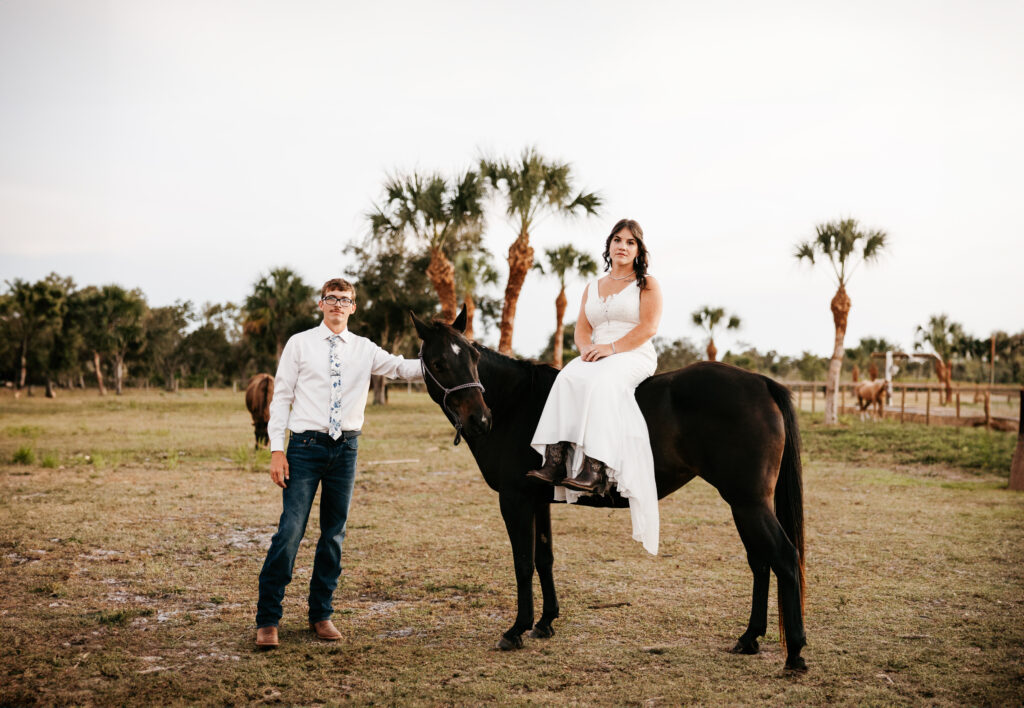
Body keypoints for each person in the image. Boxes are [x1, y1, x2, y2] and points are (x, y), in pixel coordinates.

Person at [255, 277, 422, 649]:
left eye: (344, 300)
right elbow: (280, 398)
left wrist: (446, 360)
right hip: (303, 448)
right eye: (330, 298)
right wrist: (276, 450)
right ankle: (268, 620)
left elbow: (400, 368)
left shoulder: (364, 349)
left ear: (353, 307)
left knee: (333, 535)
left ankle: (321, 614)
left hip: (345, 450)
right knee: (290, 533)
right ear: (321, 304)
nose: (337, 305)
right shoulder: (299, 344)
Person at [527, 219, 663, 555]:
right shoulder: (593, 285)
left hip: (631, 354)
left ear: (638, 250)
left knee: (602, 383)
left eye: (630, 242)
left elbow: (648, 327)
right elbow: (582, 328)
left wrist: (611, 349)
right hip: (597, 353)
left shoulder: (647, 284)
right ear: (609, 246)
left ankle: (595, 467)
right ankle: (557, 459)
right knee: (567, 378)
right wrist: (588, 348)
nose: (622, 246)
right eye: (617, 240)